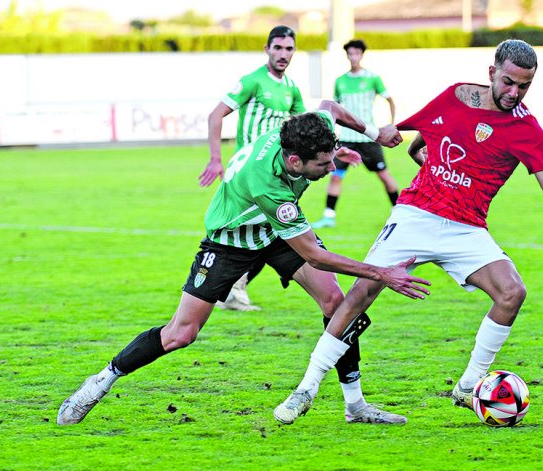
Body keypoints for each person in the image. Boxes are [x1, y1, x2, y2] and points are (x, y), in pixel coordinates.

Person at [273, 39, 543, 425]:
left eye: (524, 86)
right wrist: (412, 151)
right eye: (508, 82)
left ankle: (468, 385)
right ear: (492, 73)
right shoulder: (456, 96)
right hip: (415, 215)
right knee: (360, 294)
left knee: (512, 292)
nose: (514, 93)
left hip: (467, 228)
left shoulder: (527, 129)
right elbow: (418, 136)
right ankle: (306, 389)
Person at [57, 100, 431, 427]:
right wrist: (382, 273)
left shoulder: (304, 133)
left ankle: (355, 405)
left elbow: (330, 107)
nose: (331, 167)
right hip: (230, 243)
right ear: (295, 161)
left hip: (273, 234)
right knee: (180, 334)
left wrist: (372, 133)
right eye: (324, 163)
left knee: (336, 303)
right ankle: (100, 382)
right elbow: (314, 256)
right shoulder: (269, 186)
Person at [199, 25, 306, 311]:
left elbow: (304, 129)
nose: (283, 54)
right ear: (267, 49)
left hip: (274, 175)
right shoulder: (252, 81)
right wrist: (215, 158)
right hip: (248, 175)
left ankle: (232, 290)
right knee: (267, 230)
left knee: (268, 231)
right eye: (278, 48)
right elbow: (216, 115)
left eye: (289, 49)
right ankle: (225, 290)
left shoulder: (291, 88)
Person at [312, 39, 398, 229]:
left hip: (369, 138)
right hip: (346, 139)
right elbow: (333, 109)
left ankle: (399, 212)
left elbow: (390, 100)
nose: (353, 57)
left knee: (384, 175)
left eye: (356, 53)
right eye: (350, 54)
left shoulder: (373, 78)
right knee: (335, 175)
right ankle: (328, 216)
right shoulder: (340, 81)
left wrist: (391, 125)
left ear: (362, 55)